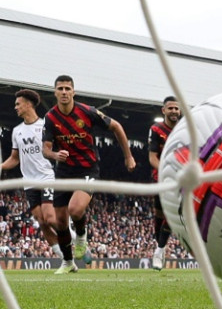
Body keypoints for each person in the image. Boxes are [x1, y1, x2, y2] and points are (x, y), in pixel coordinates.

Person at [42, 75, 136, 274]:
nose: (64, 92)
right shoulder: (50, 118)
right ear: (55, 92)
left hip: (87, 169)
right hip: (63, 171)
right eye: (61, 88)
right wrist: (54, 155)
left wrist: (128, 156)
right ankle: (68, 263)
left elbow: (117, 126)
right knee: (59, 221)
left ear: (73, 92)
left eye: (68, 88)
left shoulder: (88, 112)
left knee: (75, 210)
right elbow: (46, 149)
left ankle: (82, 237)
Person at [1, 89, 64, 265]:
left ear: (28, 104)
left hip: (46, 176)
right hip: (29, 182)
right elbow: (14, 159)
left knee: (50, 217)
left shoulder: (45, 126)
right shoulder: (16, 131)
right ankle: (66, 259)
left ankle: (79, 239)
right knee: (42, 221)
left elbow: (55, 150)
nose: (15, 107)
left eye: (18, 104)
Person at [147, 96, 181, 271]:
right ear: (164, 111)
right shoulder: (156, 129)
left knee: (172, 214)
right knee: (159, 215)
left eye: (176, 108)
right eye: (171, 108)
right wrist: (166, 171)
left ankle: (159, 251)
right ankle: (160, 244)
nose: (174, 111)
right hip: (160, 177)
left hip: (179, 179)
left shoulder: (186, 129)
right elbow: (152, 157)